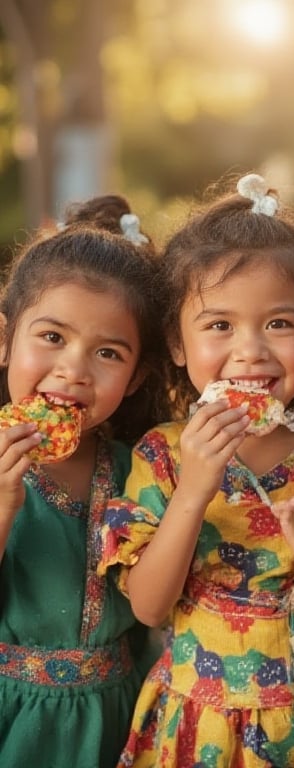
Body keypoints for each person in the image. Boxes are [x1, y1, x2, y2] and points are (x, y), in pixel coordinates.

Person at [98, 173, 294, 767]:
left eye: (279, 323)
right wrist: (196, 487)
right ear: (177, 344)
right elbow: (150, 608)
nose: (251, 349)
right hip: (191, 722)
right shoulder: (162, 454)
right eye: (219, 325)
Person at [0, 195, 172, 768]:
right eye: (52, 337)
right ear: (5, 340)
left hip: (120, 721)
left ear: (138, 374)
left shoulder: (142, 468)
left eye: (107, 352)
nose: (74, 369)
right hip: (12, 722)